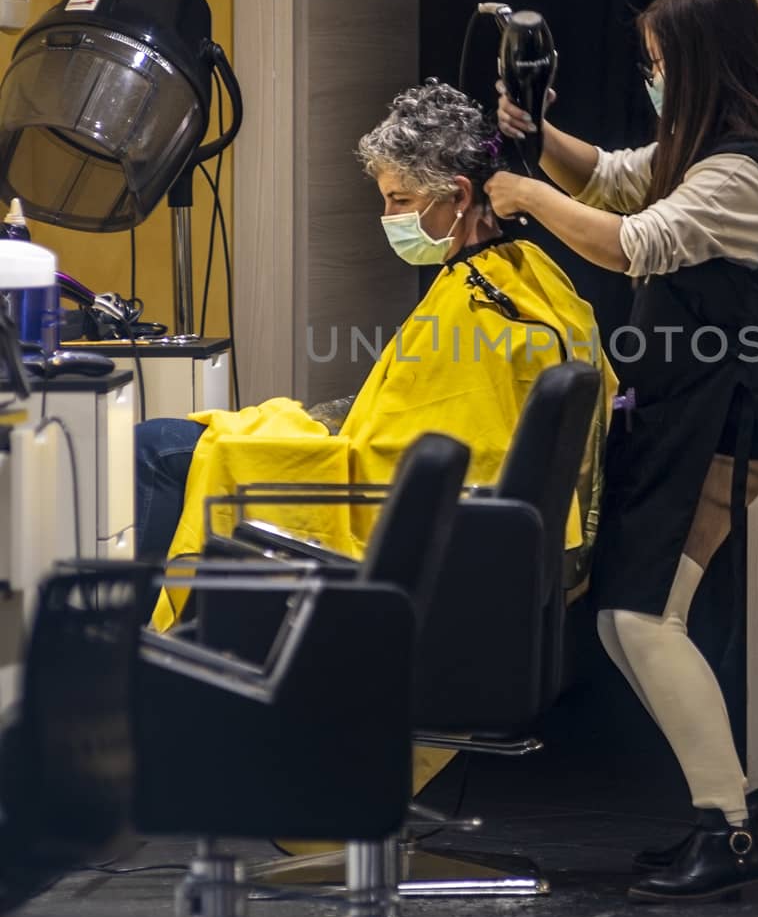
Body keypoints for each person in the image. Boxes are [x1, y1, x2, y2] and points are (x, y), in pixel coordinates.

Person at [486, 0, 758, 904]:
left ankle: (727, 829)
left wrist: (518, 197)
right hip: (694, 412)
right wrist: (535, 135)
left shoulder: (742, 174)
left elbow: (624, 239)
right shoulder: (707, 146)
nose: (651, 79)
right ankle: (734, 813)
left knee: (640, 619)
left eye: (658, 63)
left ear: (704, 64)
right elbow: (608, 179)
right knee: (632, 617)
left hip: (722, 423)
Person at [138, 79, 615, 627]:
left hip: (410, 532)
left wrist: (317, 436)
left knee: (159, 450)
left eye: (401, 200)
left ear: (460, 196)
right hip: (436, 511)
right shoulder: (529, 275)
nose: (389, 216)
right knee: (206, 435)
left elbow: (413, 466)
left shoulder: (486, 305)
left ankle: (135, 664)